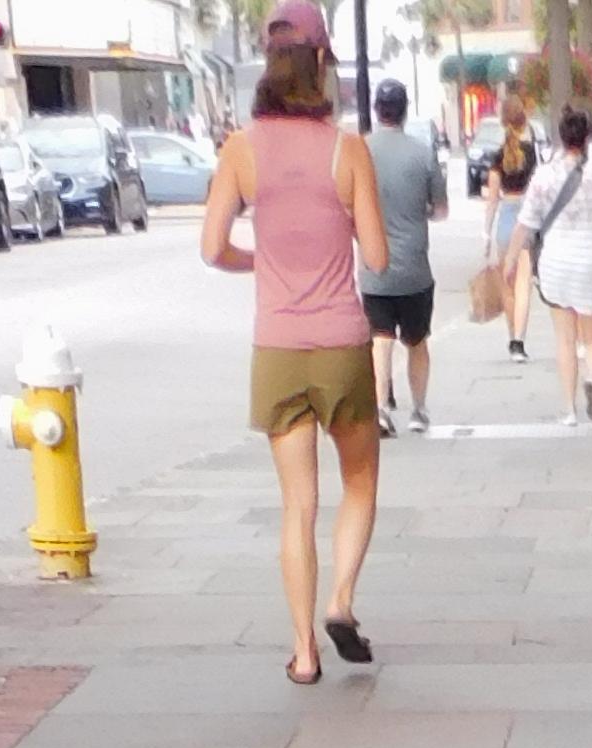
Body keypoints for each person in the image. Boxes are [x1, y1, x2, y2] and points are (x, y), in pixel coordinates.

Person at [202, 0, 387, 683]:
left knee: (297, 505)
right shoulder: (348, 149)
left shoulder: (240, 150)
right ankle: (341, 600)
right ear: (322, 65)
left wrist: (262, 262)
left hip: (275, 348)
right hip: (341, 343)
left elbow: (212, 246)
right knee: (360, 481)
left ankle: (304, 653)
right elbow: (376, 255)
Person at [518, 104, 592, 428]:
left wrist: (510, 261)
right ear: (589, 134)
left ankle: (568, 409)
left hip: (556, 263)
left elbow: (526, 221)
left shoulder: (547, 168)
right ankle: (591, 375)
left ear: (561, 137)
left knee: (564, 338)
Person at [360, 75, 443, 436]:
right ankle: (419, 410)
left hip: (373, 267)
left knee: (380, 339)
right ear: (405, 112)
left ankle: (379, 408)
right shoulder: (423, 153)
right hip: (414, 266)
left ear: (378, 111)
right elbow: (440, 209)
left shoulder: (359, 151)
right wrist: (419, 211)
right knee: (417, 340)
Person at [488, 93, 538, 358]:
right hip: (526, 218)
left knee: (507, 284)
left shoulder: (497, 155)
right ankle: (519, 340)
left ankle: (511, 335)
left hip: (505, 217)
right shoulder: (532, 153)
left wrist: (485, 233)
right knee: (523, 284)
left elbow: (492, 197)